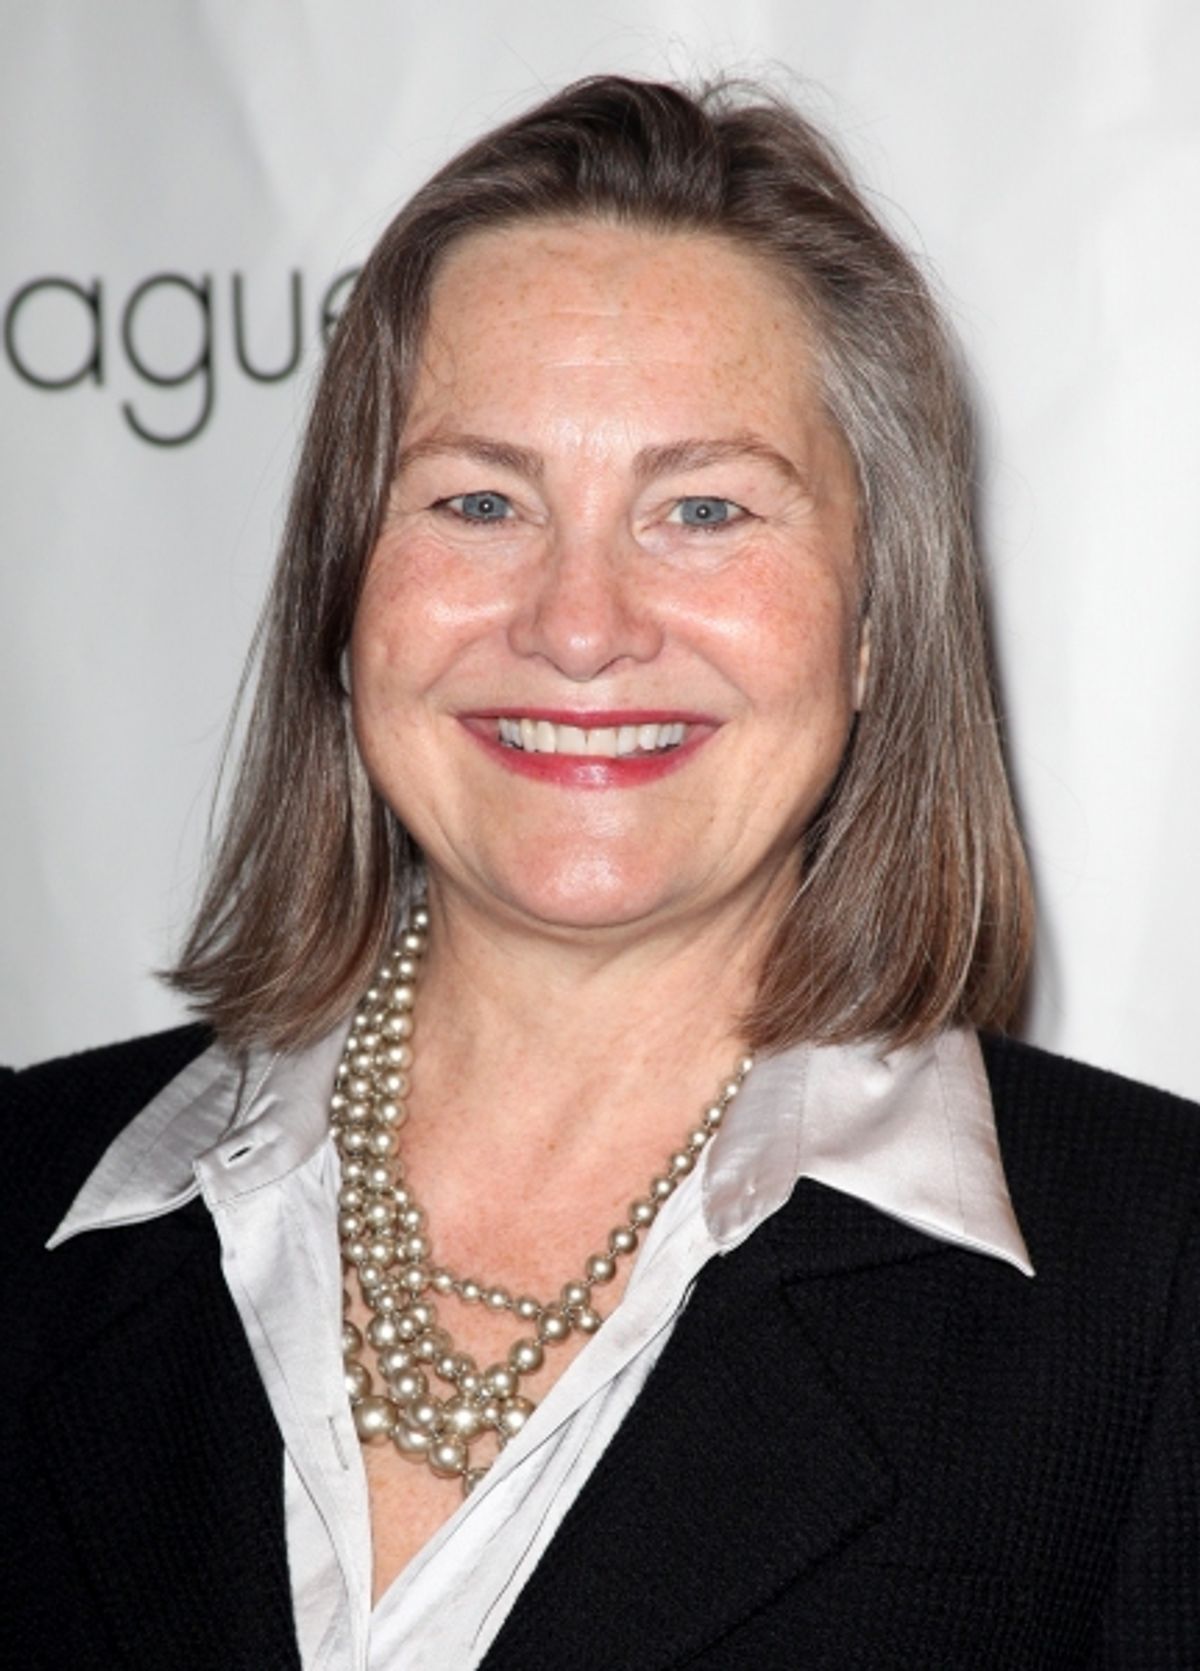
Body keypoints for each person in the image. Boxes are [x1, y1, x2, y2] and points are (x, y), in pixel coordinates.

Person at [3, 74, 1198, 1671]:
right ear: (346, 599)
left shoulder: (1160, 1293)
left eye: (704, 509)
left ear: (875, 626)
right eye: (480, 501)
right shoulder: (19, 1196)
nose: (578, 625)